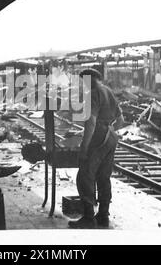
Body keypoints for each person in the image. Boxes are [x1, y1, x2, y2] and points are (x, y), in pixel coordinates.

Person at [68, 68, 124, 229]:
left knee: (85, 175)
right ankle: (103, 216)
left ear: (88, 80)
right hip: (111, 137)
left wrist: (84, 148)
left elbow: (90, 123)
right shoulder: (108, 91)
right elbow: (121, 120)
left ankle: (88, 218)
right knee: (104, 177)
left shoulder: (92, 94)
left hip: (98, 138)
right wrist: (108, 129)